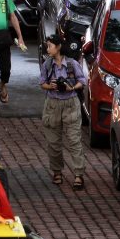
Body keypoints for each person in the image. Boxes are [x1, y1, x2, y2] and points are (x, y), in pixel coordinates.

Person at [39, 33, 87, 190]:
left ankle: (79, 174)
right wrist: (50, 86)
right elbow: (42, 83)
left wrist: (71, 87)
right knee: (53, 142)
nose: (48, 48)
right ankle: (57, 172)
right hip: (52, 104)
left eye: (50, 46)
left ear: (58, 47)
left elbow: (82, 81)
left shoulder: (72, 64)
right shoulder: (47, 65)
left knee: (74, 140)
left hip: (71, 103)